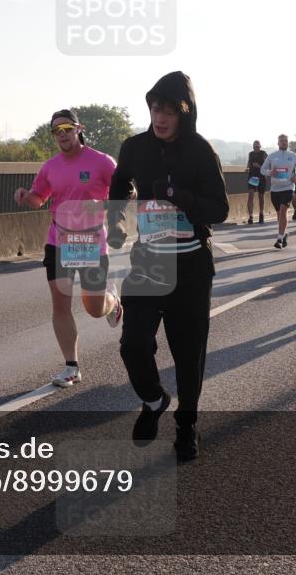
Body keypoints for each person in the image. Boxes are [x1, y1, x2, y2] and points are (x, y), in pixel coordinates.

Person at [108, 71, 228, 462]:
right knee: (133, 345)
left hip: (191, 266)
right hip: (148, 263)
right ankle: (154, 398)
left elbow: (221, 209)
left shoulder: (200, 151)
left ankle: (187, 427)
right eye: (155, 108)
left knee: (188, 354)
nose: (160, 117)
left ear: (185, 111)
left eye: (169, 110)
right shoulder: (135, 147)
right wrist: (117, 220)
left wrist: (182, 196)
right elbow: (120, 183)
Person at [15, 110, 122, 388]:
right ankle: (71, 367)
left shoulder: (102, 162)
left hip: (90, 243)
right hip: (58, 241)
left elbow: (123, 188)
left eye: (65, 128)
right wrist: (26, 196)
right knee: (60, 303)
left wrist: (129, 193)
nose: (61, 134)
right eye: (55, 131)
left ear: (78, 129)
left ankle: (112, 300)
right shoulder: (50, 166)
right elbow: (39, 198)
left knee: (95, 309)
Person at [260, 135, 296, 249]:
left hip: (288, 187)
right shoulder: (272, 156)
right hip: (275, 189)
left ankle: (279, 239)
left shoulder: (293, 156)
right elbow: (262, 170)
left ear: (288, 143)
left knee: (283, 211)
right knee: (279, 215)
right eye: (281, 141)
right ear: (278, 143)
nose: (284, 143)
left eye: (286, 141)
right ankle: (284, 234)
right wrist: (271, 173)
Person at [245, 140, 268, 225]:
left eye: (257, 146)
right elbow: (249, 162)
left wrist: (259, 166)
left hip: (261, 176)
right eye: (254, 146)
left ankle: (261, 214)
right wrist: (247, 168)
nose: (256, 148)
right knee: (250, 195)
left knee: (261, 196)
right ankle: (250, 216)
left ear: (260, 146)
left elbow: (268, 165)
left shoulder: (264, 153)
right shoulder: (250, 154)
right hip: (253, 177)